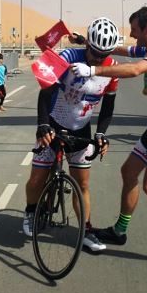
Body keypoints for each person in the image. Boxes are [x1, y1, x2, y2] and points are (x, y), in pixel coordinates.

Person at [71, 6, 147, 269]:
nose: (131, 34)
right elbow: (120, 50)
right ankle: (120, 231)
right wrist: (86, 42)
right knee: (128, 172)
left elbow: (135, 70)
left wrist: (93, 71)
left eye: (135, 29)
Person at [23, 17, 120, 253]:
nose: (98, 59)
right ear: (87, 44)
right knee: (37, 178)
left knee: (82, 184)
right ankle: (31, 211)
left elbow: (108, 106)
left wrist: (101, 134)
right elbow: (46, 91)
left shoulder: (112, 69)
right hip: (53, 124)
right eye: (94, 52)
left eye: (103, 55)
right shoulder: (68, 57)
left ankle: (86, 231)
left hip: (81, 129)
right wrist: (43, 124)